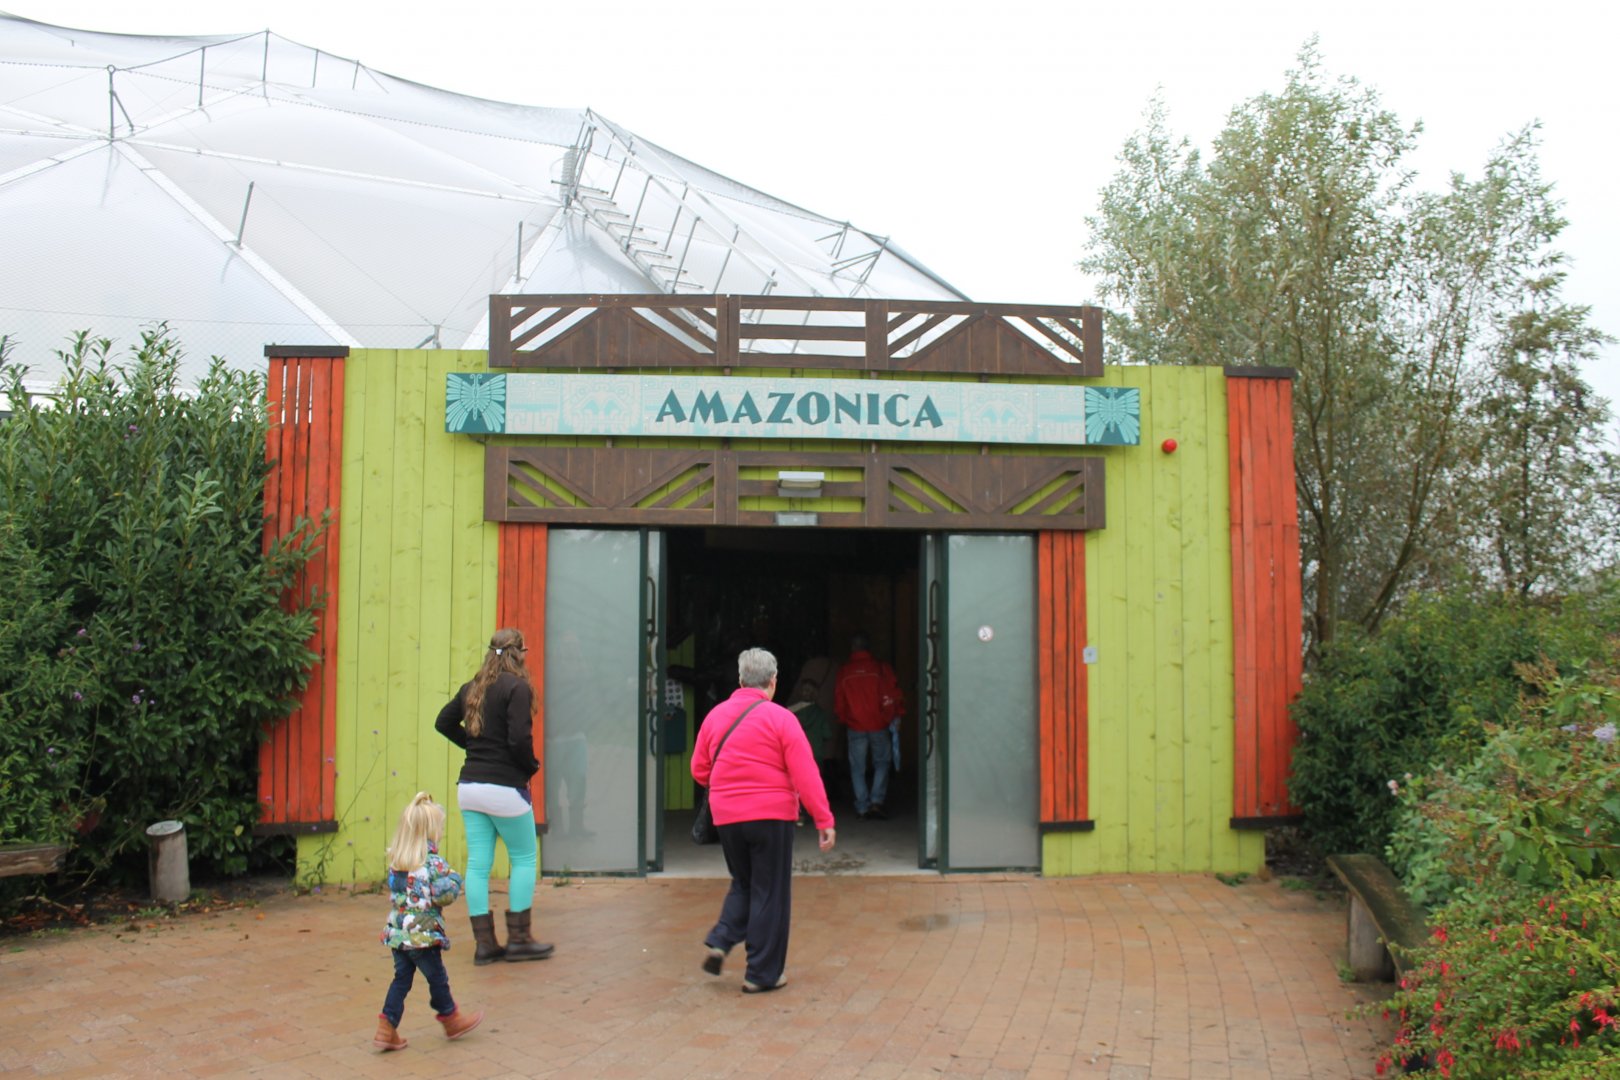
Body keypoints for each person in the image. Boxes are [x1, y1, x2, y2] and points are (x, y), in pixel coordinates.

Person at [691, 647, 835, 993]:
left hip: (727, 817)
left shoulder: (715, 717)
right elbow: (805, 772)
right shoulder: (782, 719)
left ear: (740, 680)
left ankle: (721, 939)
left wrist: (729, 786)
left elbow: (699, 769)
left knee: (743, 882)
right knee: (770, 891)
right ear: (773, 682)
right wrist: (823, 819)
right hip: (771, 815)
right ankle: (761, 974)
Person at [434, 627, 554, 965]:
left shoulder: (472, 687)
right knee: (524, 859)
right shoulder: (516, 687)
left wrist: (474, 748)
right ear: (520, 653)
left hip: (470, 788)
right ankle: (519, 940)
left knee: (478, 864)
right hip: (504, 788)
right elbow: (518, 740)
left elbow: (443, 723)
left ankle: (485, 945)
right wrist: (530, 767)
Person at [373, 792, 483, 1051]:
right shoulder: (433, 864)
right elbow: (444, 895)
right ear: (432, 832)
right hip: (422, 937)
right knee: (437, 978)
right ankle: (450, 1018)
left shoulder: (398, 861)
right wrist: (455, 879)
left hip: (399, 936)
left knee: (401, 980)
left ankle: (386, 1027)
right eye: (440, 829)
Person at [834, 633, 904, 820]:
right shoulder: (881, 669)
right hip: (879, 725)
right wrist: (890, 717)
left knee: (857, 767)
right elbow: (894, 694)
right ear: (868, 648)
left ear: (853, 649)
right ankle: (876, 802)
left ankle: (862, 807)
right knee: (882, 763)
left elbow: (839, 701)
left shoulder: (845, 671)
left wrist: (844, 719)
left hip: (855, 726)